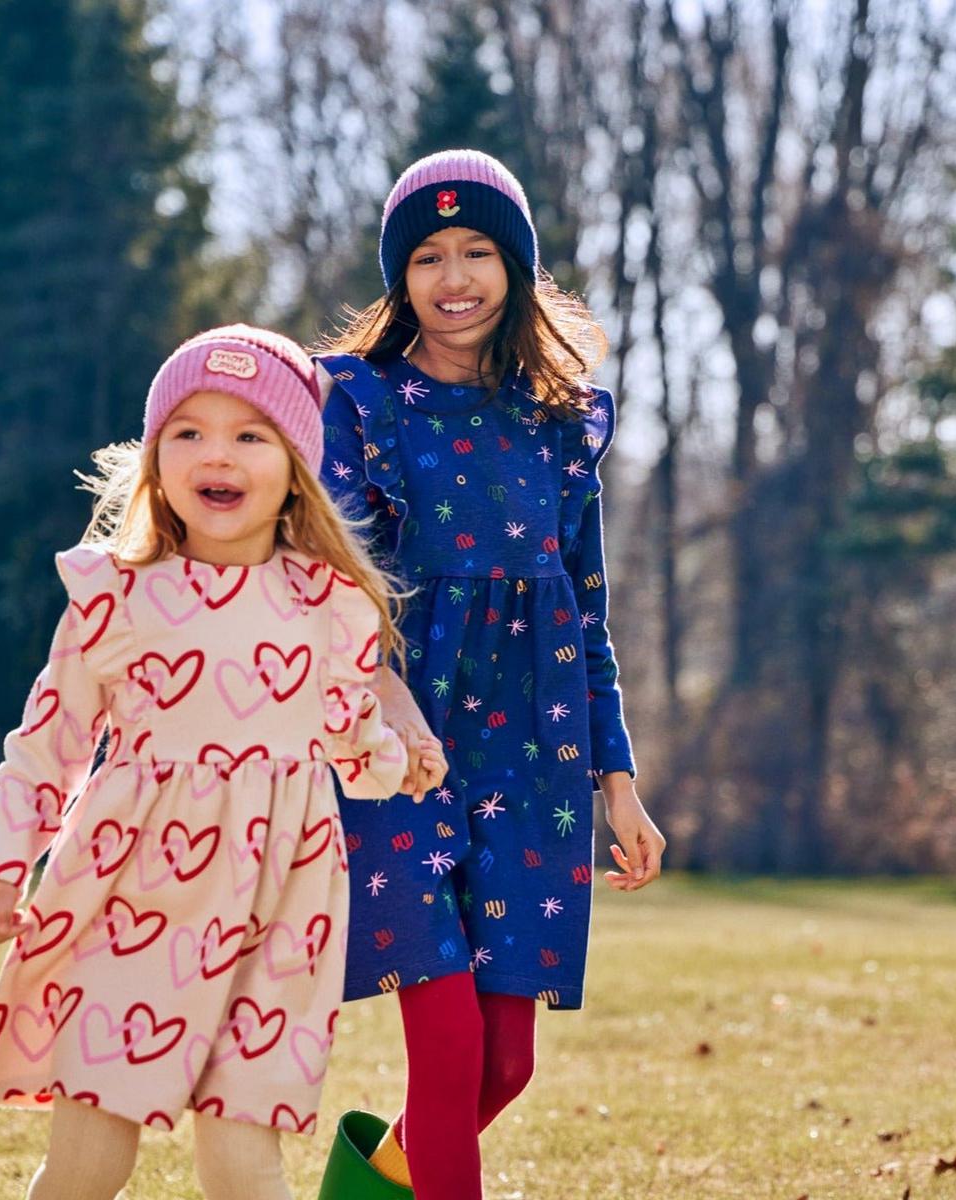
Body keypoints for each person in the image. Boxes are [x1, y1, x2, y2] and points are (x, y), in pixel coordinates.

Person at [0, 324, 446, 1200]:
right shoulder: (119, 594)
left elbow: (347, 744)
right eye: (187, 431)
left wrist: (396, 758)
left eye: (249, 434)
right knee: (88, 1155)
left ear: (297, 464)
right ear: (154, 460)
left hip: (279, 914)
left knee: (243, 1160)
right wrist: (0, 857)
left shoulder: (327, 606)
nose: (215, 453)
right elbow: (48, 740)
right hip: (133, 902)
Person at [312, 151, 667, 1200]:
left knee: (507, 1061)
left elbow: (586, 612)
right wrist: (389, 713)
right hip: (403, 750)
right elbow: (338, 583)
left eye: (477, 252)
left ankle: (362, 1190)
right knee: (451, 1046)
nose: (453, 276)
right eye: (427, 255)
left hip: (535, 750)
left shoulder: (560, 422)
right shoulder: (361, 402)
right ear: (399, 274)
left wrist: (620, 784)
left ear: (515, 269)